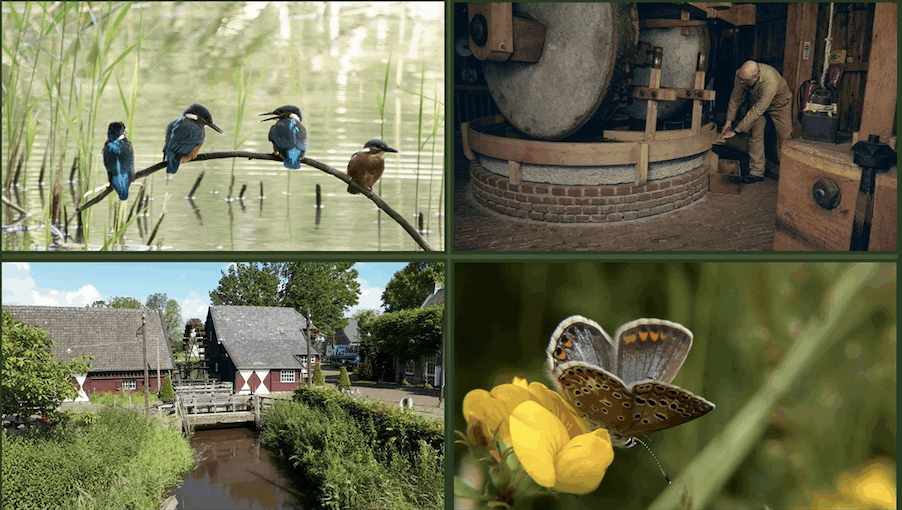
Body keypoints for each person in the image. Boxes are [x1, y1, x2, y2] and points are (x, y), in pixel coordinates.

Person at [721, 60, 792, 184]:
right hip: (757, 101)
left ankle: (788, 174)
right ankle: (756, 172)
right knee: (755, 133)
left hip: (779, 105)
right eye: (741, 79)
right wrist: (729, 121)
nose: (742, 82)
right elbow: (736, 97)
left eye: (745, 81)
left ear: (756, 76)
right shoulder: (741, 75)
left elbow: (759, 109)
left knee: (784, 138)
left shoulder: (771, 80)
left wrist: (737, 130)